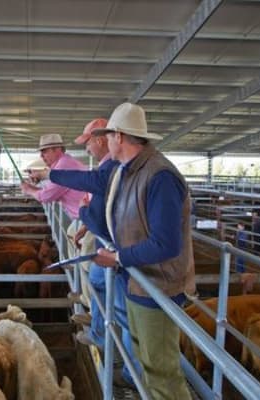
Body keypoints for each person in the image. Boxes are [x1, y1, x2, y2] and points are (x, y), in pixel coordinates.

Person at [92, 102, 195, 400]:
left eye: (108, 135)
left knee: (161, 371)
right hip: (138, 281)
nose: (106, 141)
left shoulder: (160, 176)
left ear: (120, 137)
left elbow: (166, 243)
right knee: (146, 360)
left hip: (157, 286)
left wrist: (118, 258)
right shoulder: (131, 171)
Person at [29, 119, 142, 388]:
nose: (87, 147)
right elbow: (96, 197)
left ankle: (130, 373)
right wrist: (85, 219)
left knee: (128, 313)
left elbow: (85, 189)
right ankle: (102, 332)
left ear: (107, 139)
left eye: (89, 141)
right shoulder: (110, 166)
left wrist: (43, 181)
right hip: (111, 243)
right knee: (102, 286)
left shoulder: (114, 168)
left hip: (123, 251)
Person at [20, 133, 89, 271]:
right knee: (71, 233)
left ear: (57, 149)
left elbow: (46, 196)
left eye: (44, 151)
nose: (41, 156)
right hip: (83, 217)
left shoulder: (63, 166)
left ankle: (82, 279)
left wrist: (28, 190)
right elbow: (53, 190)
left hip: (87, 219)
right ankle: (75, 269)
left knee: (87, 261)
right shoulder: (65, 163)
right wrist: (35, 187)